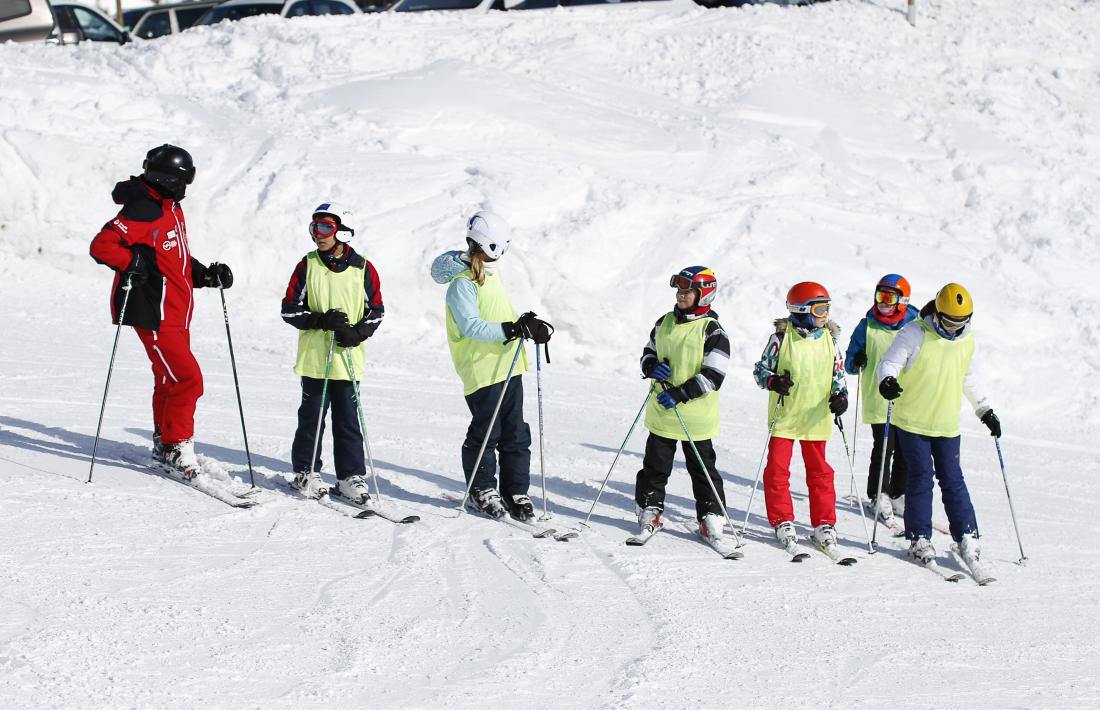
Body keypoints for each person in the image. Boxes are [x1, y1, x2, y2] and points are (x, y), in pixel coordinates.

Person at [89, 144, 233, 480]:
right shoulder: (144, 209)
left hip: (176, 313)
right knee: (188, 379)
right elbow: (102, 246)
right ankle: (175, 446)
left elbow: (171, 259)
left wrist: (203, 274)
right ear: (169, 179)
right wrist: (132, 262)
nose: (187, 187)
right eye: (185, 180)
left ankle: (164, 441)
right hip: (156, 313)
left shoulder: (168, 207)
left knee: (169, 379)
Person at [430, 211, 551, 522]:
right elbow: (472, 326)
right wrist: (511, 329)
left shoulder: (489, 274)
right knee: (487, 433)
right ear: (489, 245)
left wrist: (526, 326)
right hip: (482, 369)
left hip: (507, 366)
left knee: (516, 433)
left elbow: (498, 314)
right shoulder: (463, 284)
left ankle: (515, 491)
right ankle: (480, 489)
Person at [877, 283, 999, 571]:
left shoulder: (967, 341)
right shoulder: (915, 333)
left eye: (962, 322)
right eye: (949, 322)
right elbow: (889, 363)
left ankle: (967, 535)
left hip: (946, 425)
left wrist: (985, 409)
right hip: (912, 422)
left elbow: (968, 379)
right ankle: (919, 537)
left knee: (953, 480)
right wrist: (887, 381)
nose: (955, 328)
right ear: (937, 312)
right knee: (921, 478)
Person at [281, 203, 384, 501]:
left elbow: (376, 311)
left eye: (325, 227)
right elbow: (288, 310)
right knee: (311, 418)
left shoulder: (362, 268)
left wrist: (358, 333)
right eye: (314, 228)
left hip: (347, 359)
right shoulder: (308, 264)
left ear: (342, 230)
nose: (318, 234)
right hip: (315, 360)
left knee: (348, 420)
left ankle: (350, 476)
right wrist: (318, 320)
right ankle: (306, 471)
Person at [635, 266, 732, 544]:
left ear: (704, 295)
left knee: (703, 470)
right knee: (655, 466)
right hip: (662, 414)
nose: (681, 295)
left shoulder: (713, 331)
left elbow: (714, 376)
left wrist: (680, 393)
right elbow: (648, 352)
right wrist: (651, 366)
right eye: (679, 290)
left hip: (695, 419)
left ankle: (711, 516)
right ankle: (649, 509)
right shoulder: (664, 321)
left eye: (688, 291)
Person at [753, 282, 848, 551]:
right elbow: (760, 371)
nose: (824, 315)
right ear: (801, 310)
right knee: (777, 471)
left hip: (816, 417)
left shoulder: (831, 340)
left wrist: (841, 397)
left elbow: (838, 376)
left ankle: (824, 523)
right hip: (785, 416)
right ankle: (782, 519)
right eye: (819, 309)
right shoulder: (781, 339)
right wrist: (772, 382)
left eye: (827, 309)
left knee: (820, 473)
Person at [843, 274, 918, 523]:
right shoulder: (867, 325)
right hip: (879, 398)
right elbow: (850, 363)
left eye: (889, 298)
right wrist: (857, 360)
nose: (883, 303)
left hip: (908, 397)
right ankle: (879, 493)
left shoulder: (915, 324)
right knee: (885, 446)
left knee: (907, 449)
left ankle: (898, 493)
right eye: (879, 296)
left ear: (902, 301)